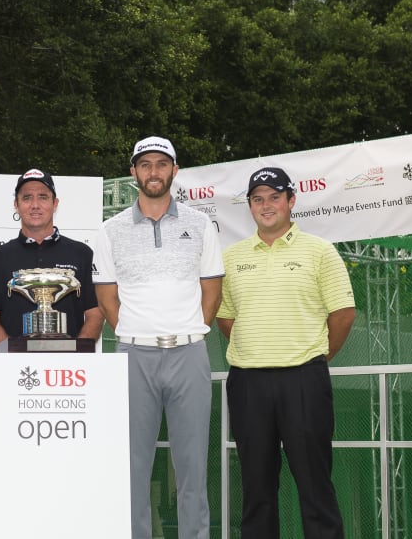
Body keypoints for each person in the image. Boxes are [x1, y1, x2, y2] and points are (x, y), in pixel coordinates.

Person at [93, 136, 224, 539]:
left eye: (161, 164)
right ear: (133, 172)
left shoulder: (201, 224)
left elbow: (212, 290)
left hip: (189, 353)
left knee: (192, 466)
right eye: (145, 164)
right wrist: (138, 332)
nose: (153, 171)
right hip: (134, 355)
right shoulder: (110, 230)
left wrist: (185, 330)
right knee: (133, 466)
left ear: (174, 170)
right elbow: (106, 298)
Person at [215, 167, 355, 539]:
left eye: (274, 197)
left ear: (291, 201)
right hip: (248, 382)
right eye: (257, 199)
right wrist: (258, 346)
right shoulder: (231, 258)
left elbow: (343, 314)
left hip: (304, 380)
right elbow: (226, 318)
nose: (266, 205)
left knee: (315, 487)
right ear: (249, 206)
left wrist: (315, 356)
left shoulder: (320, 251)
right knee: (256, 489)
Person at [0, 168, 103, 349]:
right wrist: (11, 355)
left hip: (69, 369)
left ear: (55, 203)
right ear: (16, 205)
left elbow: (95, 313)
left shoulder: (82, 253)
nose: (35, 205)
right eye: (26, 198)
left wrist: (76, 354)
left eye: (43, 197)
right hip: (15, 368)